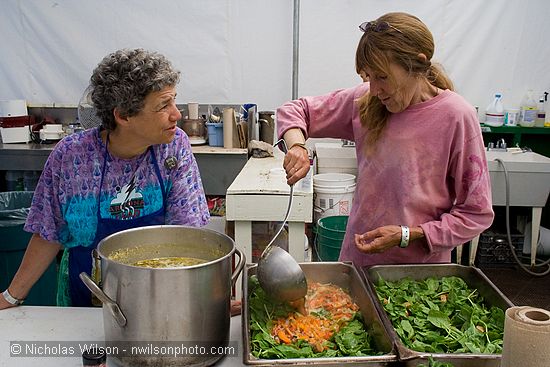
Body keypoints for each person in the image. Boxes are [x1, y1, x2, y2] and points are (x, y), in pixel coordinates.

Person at [1, 48, 240, 314]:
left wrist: (207, 298)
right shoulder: (71, 157)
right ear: (124, 115)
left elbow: (189, 235)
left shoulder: (173, 148)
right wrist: (11, 297)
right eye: (163, 105)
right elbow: (49, 232)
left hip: (159, 304)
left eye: (174, 101)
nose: (177, 114)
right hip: (83, 303)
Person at [277, 12, 494, 267]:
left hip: (421, 278)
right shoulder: (365, 102)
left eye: (382, 77)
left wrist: (408, 235)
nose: (375, 90)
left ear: (417, 64)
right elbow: (296, 110)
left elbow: (476, 213)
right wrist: (298, 146)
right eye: (369, 77)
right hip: (359, 262)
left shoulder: (456, 117)